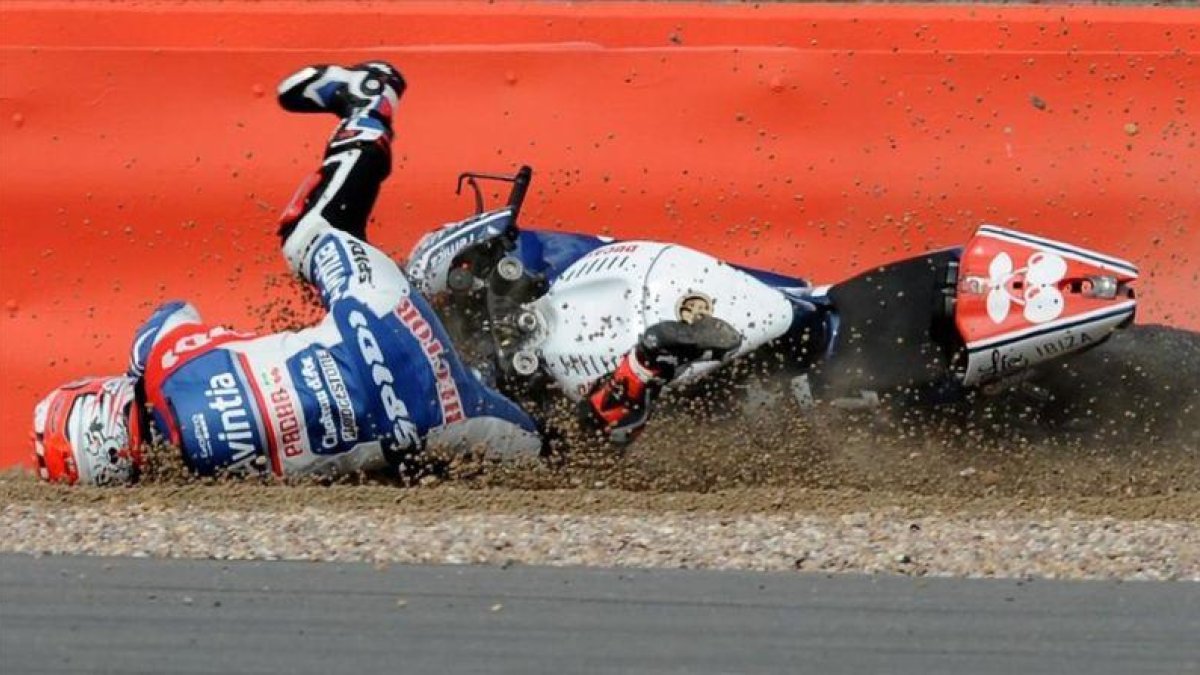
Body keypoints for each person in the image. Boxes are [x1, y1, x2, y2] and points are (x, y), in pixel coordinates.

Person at [32, 62, 545, 486]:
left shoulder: (197, 493)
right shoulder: (160, 357)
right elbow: (173, 313)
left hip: (427, 420)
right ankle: (371, 102)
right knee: (307, 233)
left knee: (548, 458)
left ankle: (620, 386)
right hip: (373, 314)